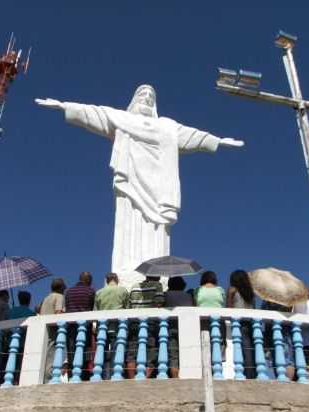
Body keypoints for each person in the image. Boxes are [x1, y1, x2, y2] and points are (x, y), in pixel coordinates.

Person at [35, 86, 244, 289]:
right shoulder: (122, 118)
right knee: (129, 221)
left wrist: (217, 141)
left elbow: (192, 136)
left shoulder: (167, 127)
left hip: (158, 187)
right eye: (142, 94)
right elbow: (94, 113)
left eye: (151, 96)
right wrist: (64, 106)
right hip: (131, 180)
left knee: (156, 228)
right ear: (135, 99)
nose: (147, 98)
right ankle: (126, 271)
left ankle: (156, 276)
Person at [126, 276, 165, 378]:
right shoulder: (157, 285)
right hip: (150, 323)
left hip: (134, 323)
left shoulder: (134, 287)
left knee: (132, 352)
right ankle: (145, 378)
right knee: (150, 352)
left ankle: (131, 378)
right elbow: (160, 302)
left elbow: (129, 305)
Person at [94, 272, 128, 379]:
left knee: (102, 352)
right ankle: (115, 374)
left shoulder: (99, 292)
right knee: (117, 351)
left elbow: (95, 311)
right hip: (118, 327)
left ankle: (103, 375)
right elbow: (127, 309)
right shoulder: (123, 290)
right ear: (116, 279)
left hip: (102, 328)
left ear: (106, 280)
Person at [226, 270, 255, 378]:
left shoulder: (233, 290)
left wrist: (229, 295)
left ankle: (247, 375)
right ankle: (251, 373)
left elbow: (228, 308)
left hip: (239, 323)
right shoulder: (250, 293)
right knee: (249, 349)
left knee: (243, 349)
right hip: (251, 323)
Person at [163, 276, 193, 379]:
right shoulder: (188, 296)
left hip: (171, 327)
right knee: (186, 353)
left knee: (173, 355)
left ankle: (175, 378)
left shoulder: (166, 295)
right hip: (186, 328)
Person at [41, 278, 66, 382]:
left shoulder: (46, 298)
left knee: (45, 357)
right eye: (64, 287)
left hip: (44, 331)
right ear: (61, 287)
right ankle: (48, 381)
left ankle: (44, 379)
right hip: (53, 331)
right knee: (51, 358)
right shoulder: (59, 296)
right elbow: (58, 313)